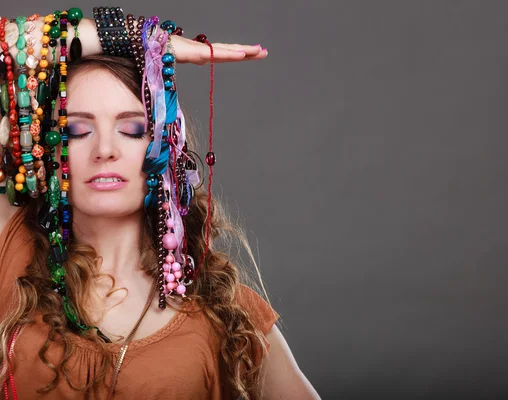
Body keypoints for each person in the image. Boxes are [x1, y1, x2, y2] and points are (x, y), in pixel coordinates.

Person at [0, 8, 320, 400]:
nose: (105, 150)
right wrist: (151, 41)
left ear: (165, 148)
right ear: (49, 149)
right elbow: (11, 43)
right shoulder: (12, 250)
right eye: (78, 130)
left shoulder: (224, 310)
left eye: (132, 129)